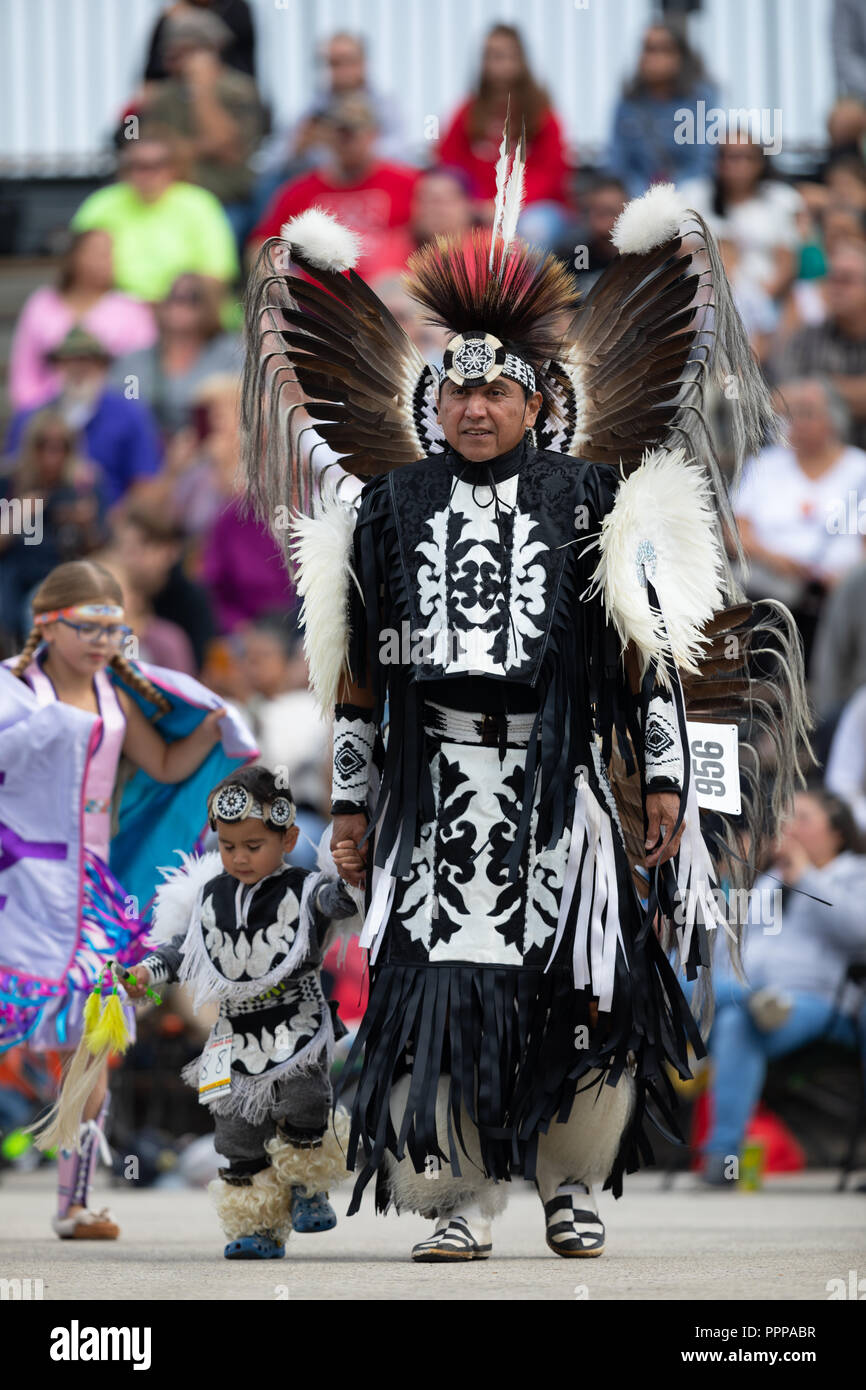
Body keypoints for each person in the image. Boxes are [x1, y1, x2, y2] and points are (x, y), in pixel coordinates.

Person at [244, 176, 808, 1260]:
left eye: (495, 393)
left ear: (532, 401)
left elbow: (644, 659)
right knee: (430, 990)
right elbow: (356, 679)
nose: (474, 409)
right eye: (456, 394)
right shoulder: (385, 508)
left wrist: (658, 784)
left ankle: (568, 1186)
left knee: (581, 987)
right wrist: (351, 811)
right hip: (436, 791)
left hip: (563, 795)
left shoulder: (594, 496)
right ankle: (449, 1197)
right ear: (433, 402)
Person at [0, 559, 258, 1238]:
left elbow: (168, 767)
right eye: (86, 625)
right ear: (47, 625)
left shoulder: (116, 695)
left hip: (89, 892)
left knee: (94, 1035)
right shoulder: (12, 693)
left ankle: (74, 1202)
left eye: (112, 627)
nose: (101, 639)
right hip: (17, 884)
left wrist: (214, 724)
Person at [126, 764, 363, 1259]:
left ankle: (307, 1185)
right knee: (235, 1132)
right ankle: (257, 1226)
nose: (239, 857)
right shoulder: (208, 898)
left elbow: (342, 902)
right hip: (231, 1035)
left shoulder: (307, 888)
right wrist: (145, 973)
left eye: (253, 846)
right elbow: (182, 950)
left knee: (303, 1103)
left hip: (296, 1026)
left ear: (288, 836)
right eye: (228, 846)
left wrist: (354, 868)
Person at [700, 790, 866, 1183]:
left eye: (802, 818)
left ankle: (709, 1023)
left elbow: (860, 932)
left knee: (738, 1016)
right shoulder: (767, 882)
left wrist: (807, 877)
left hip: (825, 1004)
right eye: (784, 818)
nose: (787, 827)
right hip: (760, 1006)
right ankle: (724, 1160)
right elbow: (727, 951)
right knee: (733, 1017)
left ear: (837, 832)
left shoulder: (856, 872)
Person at [733, 376, 866, 665]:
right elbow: (735, 531)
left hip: (838, 590)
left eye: (808, 413)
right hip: (769, 585)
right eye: (791, 413)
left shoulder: (859, 469)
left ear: (834, 419)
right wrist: (774, 558)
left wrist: (846, 579)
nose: (797, 422)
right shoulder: (764, 465)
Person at [249, 95, 417, 280]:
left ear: (373, 135)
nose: (346, 142)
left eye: (353, 134)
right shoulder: (298, 192)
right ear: (327, 136)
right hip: (319, 303)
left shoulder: (407, 183)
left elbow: (439, 233)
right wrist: (279, 278)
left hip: (390, 296)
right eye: (340, 134)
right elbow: (263, 245)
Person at [437, 24, 573, 250]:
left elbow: (552, 174)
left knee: (532, 230)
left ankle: (524, 286)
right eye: (491, 56)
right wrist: (475, 205)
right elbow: (450, 166)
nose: (498, 63)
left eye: (505, 55)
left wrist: (505, 206)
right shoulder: (466, 114)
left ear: (520, 61)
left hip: (534, 210)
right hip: (478, 210)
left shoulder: (542, 115)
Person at [129, 8, 265, 234]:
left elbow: (228, 150)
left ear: (212, 49)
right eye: (171, 54)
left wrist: (203, 90)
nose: (173, 62)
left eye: (185, 52)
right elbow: (154, 150)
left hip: (226, 202)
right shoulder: (163, 97)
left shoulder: (240, 91)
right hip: (170, 201)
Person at [5, 328, 162, 510]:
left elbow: (145, 483)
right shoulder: (29, 420)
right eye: (69, 360)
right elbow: (12, 481)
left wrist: (114, 524)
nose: (78, 367)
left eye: (88, 359)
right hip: (38, 523)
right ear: (57, 365)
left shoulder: (131, 416)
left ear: (103, 366)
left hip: (111, 523)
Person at [71, 132, 238, 302]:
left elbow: (218, 274)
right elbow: (76, 267)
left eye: (157, 165)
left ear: (174, 168)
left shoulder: (200, 204)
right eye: (138, 165)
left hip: (182, 309)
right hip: (115, 310)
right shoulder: (101, 204)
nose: (147, 174)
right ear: (125, 170)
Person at [9, 230, 156, 414]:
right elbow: (25, 370)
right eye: (96, 252)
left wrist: (126, 412)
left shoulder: (132, 309)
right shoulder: (41, 303)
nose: (104, 260)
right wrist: (32, 411)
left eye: (108, 253)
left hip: (110, 415)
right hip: (48, 418)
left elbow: (137, 373)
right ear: (74, 256)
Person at [681, 133, 804, 342]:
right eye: (727, 156)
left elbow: (788, 260)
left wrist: (757, 299)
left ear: (760, 162)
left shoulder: (781, 199)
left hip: (765, 296)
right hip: (708, 295)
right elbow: (683, 249)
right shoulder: (694, 194)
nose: (734, 164)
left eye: (743, 157)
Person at [0, 411, 103, 645]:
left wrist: (86, 525)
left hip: (61, 575)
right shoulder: (9, 485)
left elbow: (99, 552)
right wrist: (14, 520)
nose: (51, 457)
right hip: (10, 576)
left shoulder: (83, 488)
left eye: (60, 448)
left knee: (39, 607)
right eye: (42, 446)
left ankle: (37, 674)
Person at [238, 612, 331, 867]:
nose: (253, 665)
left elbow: (281, 763)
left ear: (290, 661)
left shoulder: (311, 708)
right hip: (245, 816)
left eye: (264, 656)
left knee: (296, 846)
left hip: (300, 814)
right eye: (248, 657)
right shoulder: (236, 710)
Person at [110, 274, 241, 436]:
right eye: (173, 297)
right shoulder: (136, 361)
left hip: (209, 448)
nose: (179, 305)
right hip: (145, 449)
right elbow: (117, 409)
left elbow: (242, 405)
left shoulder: (231, 353)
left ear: (209, 305)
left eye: (192, 298)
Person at [770, 239, 866, 451]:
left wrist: (821, 390)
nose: (836, 288)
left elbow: (801, 396)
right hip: (821, 463)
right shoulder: (805, 339)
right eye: (833, 279)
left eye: (847, 280)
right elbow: (780, 400)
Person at [607, 19, 718, 198]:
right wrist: (643, 192)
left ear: (680, 56)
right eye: (648, 49)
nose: (652, 58)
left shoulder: (701, 98)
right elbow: (617, 163)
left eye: (662, 50)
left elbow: (702, 162)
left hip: (688, 191)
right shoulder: (628, 103)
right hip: (638, 193)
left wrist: (668, 193)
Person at [143, 0, 256, 81]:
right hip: (174, 88)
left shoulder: (236, 9)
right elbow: (152, 73)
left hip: (225, 84)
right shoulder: (170, 15)